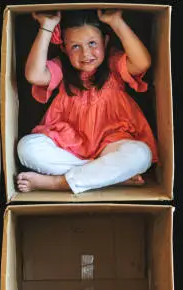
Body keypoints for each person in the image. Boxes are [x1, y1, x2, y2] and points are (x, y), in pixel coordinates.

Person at [16, 9, 158, 194]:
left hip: (112, 142)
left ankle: (59, 183)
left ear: (105, 42)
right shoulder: (62, 68)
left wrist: (117, 22)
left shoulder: (113, 64)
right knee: (27, 148)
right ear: (64, 49)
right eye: (75, 46)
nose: (86, 53)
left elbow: (142, 63)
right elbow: (34, 75)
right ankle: (108, 177)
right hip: (69, 144)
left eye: (92, 43)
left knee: (141, 154)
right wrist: (47, 26)